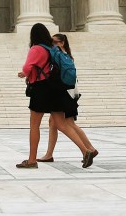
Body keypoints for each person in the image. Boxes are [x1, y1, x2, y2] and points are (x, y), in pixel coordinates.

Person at [16, 23, 95, 169]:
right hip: (55, 88)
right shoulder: (52, 49)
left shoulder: (36, 48)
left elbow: (27, 68)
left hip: (40, 89)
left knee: (34, 125)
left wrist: (24, 73)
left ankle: (32, 160)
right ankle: (86, 151)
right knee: (62, 124)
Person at [36, 34, 97, 164]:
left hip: (61, 93)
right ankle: (49, 154)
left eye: (54, 41)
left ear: (62, 43)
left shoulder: (57, 54)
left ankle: (88, 149)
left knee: (67, 124)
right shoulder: (67, 56)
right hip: (69, 93)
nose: (51, 44)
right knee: (53, 123)